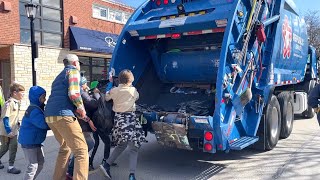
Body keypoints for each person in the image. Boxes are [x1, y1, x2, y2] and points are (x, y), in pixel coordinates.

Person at [44, 54, 89, 180]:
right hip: (63, 115)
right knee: (81, 150)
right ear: (75, 63)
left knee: (65, 148)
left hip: (50, 116)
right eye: (79, 63)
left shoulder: (58, 77)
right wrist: (81, 109)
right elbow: (74, 93)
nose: (79, 66)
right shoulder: (73, 71)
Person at [100, 69, 146, 180]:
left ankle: (106, 165)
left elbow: (106, 97)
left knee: (121, 145)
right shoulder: (133, 90)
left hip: (119, 120)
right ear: (131, 80)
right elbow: (137, 97)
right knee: (134, 148)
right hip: (130, 120)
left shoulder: (114, 90)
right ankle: (131, 175)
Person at [66, 76, 97, 179]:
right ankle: (70, 171)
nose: (86, 85)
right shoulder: (79, 92)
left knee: (81, 147)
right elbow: (91, 104)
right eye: (85, 84)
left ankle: (72, 169)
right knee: (87, 145)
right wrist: (95, 94)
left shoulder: (73, 91)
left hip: (78, 123)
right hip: (80, 124)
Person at [18, 86, 49, 180]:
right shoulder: (34, 110)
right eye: (43, 97)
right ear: (37, 98)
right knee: (33, 165)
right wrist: (54, 124)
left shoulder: (38, 108)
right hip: (29, 142)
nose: (45, 99)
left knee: (40, 163)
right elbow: (43, 124)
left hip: (35, 141)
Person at [0, 83, 25, 174]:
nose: (23, 95)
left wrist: (18, 125)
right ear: (15, 93)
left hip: (13, 130)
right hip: (7, 130)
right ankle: (10, 167)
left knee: (12, 147)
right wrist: (9, 131)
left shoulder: (17, 103)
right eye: (22, 93)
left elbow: (14, 117)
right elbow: (5, 118)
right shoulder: (9, 103)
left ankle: (11, 166)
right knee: (6, 147)